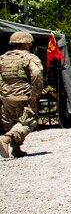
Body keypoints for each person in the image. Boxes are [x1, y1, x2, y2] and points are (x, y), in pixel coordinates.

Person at [0, 31, 44, 159]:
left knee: (10, 122)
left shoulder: (3, 58)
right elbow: (36, 73)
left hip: (6, 96)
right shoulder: (29, 57)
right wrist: (35, 93)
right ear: (25, 42)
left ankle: (16, 149)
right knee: (28, 122)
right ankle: (7, 139)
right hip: (23, 95)